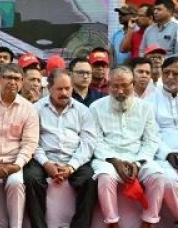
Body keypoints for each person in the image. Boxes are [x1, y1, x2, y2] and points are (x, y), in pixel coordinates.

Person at [91, 66, 166, 228]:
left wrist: (138, 163)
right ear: (108, 86)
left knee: (158, 177)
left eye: (125, 85)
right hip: (108, 159)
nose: (120, 91)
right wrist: (115, 162)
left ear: (133, 85)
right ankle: (112, 223)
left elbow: (151, 140)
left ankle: (148, 222)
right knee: (105, 177)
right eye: (115, 86)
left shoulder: (145, 107)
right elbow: (95, 141)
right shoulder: (96, 107)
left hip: (139, 156)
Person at [23, 69, 98, 228]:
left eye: (67, 88)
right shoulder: (36, 109)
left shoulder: (83, 110)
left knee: (90, 179)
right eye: (59, 89)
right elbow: (32, 141)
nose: (64, 93)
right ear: (49, 88)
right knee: (30, 178)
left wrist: (72, 166)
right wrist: (46, 164)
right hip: (43, 160)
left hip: (73, 159)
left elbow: (88, 142)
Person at [0, 63, 39, 228]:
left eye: (17, 79)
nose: (12, 82)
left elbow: (30, 143)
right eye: (8, 78)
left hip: (14, 162)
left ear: (22, 82)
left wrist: (17, 165)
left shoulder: (28, 109)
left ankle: (16, 225)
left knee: (16, 183)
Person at [146, 56, 178, 223]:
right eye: (166, 73)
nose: (170, 77)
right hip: (163, 156)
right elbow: (151, 134)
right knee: (168, 182)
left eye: (175, 74)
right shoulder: (150, 101)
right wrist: (167, 154)